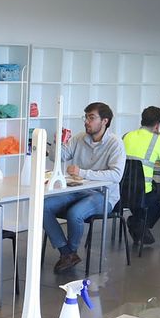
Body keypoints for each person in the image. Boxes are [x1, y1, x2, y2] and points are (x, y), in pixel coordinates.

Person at [45, 103, 124, 274]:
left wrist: (83, 172)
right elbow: (56, 157)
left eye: (91, 117)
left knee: (75, 213)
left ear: (105, 121)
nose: (87, 122)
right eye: (86, 117)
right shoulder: (79, 138)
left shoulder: (115, 143)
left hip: (104, 195)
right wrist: (57, 143)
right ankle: (66, 252)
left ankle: (70, 251)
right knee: (42, 206)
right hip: (77, 190)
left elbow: (116, 176)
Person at [121, 105, 160, 246]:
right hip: (144, 192)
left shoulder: (127, 136)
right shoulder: (157, 140)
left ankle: (139, 224)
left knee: (151, 196)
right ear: (157, 125)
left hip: (122, 191)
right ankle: (140, 225)